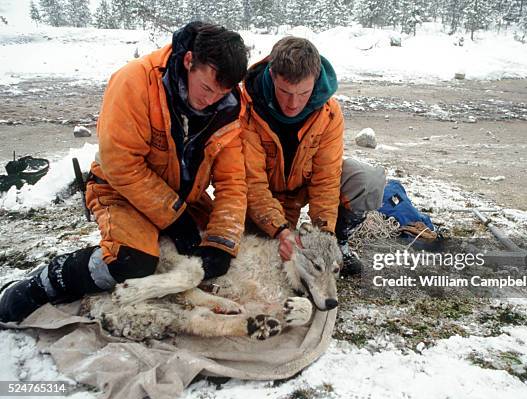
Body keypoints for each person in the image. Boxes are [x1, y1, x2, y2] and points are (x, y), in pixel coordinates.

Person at [0, 22, 249, 323]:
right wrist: (174, 217)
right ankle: (44, 283)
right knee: (132, 262)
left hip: (184, 200)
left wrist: (221, 243)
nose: (210, 101)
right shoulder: (135, 81)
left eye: (219, 94)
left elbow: (233, 181)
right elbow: (120, 164)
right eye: (206, 88)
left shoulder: (231, 107)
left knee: (230, 246)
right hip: (120, 190)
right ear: (188, 62)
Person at [240, 37, 385, 275]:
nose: (293, 103)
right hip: (261, 197)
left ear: (315, 81)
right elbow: (252, 183)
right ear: (272, 75)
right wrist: (281, 231)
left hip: (304, 187)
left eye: (303, 93)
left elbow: (326, 179)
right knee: (261, 259)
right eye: (285, 92)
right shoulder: (246, 108)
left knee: (367, 180)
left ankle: (339, 242)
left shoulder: (329, 112)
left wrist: (325, 236)